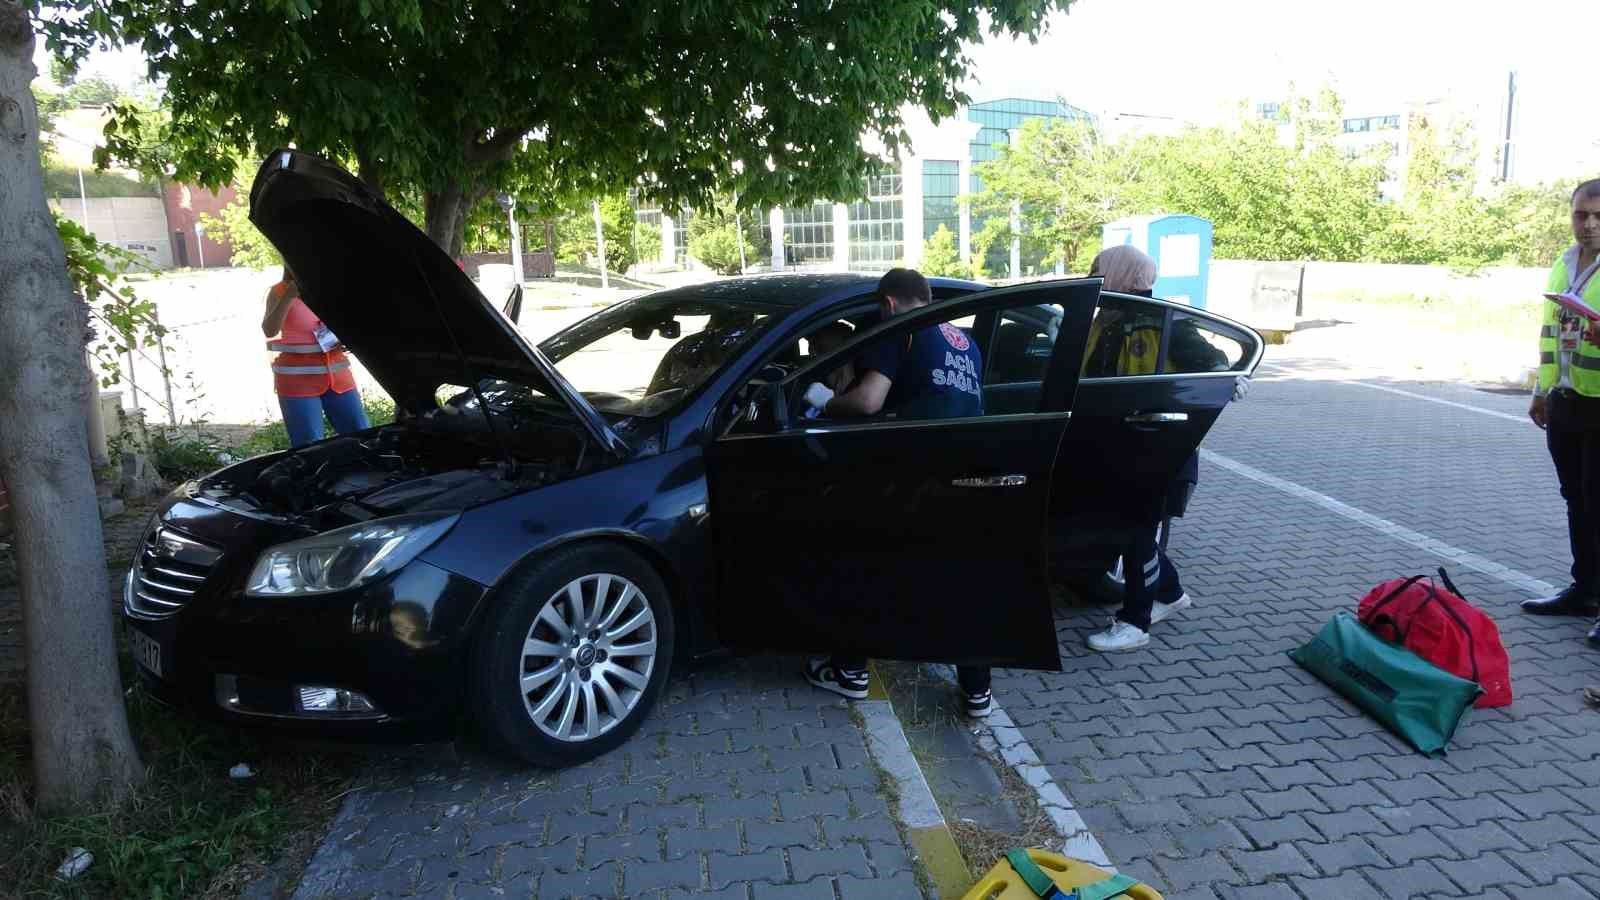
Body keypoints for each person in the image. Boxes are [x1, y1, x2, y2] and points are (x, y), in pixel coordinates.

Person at [796, 268, 994, 717]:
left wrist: (822, 400)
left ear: (887, 304)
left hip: (912, 470)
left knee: (865, 564)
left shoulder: (897, 328)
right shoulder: (962, 339)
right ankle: (978, 688)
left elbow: (869, 401)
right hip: (967, 471)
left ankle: (849, 671)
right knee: (960, 579)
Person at [1081, 245, 1249, 651]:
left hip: (1155, 449)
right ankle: (1171, 596)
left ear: (1121, 274)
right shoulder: (1108, 319)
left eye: (1098, 270)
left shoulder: (1161, 321)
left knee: (1136, 532)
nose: (1092, 277)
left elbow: (1214, 361)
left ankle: (1135, 623)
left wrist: (1228, 380)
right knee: (1129, 531)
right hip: (1117, 447)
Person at [1523, 178, 1600, 651]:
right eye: (1580, 215)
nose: (1588, 224)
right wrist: (1540, 389)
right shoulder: (1563, 264)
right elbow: (1551, 333)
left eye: (1597, 216)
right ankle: (1585, 591)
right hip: (1565, 401)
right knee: (1577, 500)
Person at [262, 267, 370, 447]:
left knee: (362, 437)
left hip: (338, 378)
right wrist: (289, 296)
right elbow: (269, 329)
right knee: (309, 445)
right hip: (297, 383)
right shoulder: (279, 290)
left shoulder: (331, 288)